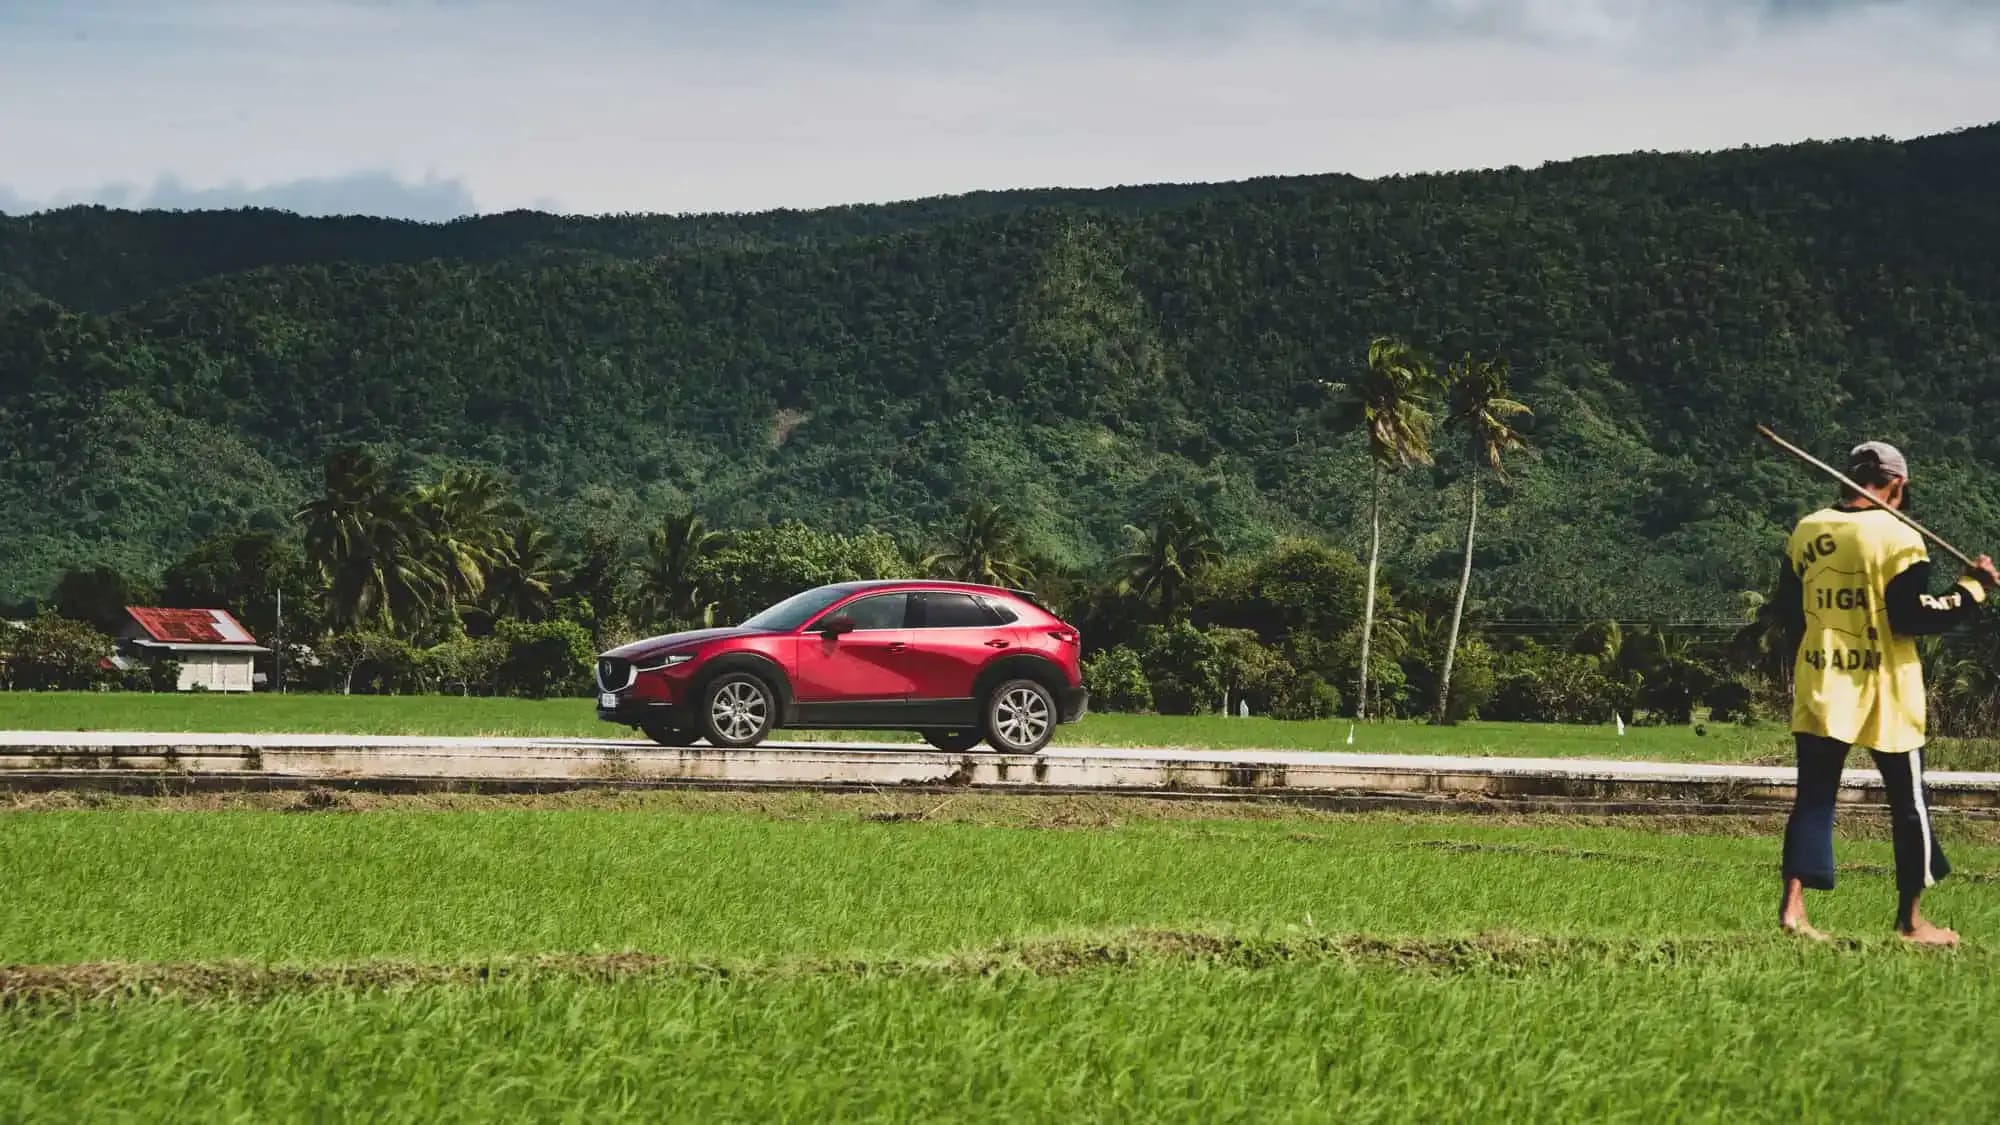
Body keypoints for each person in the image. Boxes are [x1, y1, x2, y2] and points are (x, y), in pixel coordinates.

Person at [1776, 440, 1997, 946]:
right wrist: (1973, 589)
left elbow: (1789, 610)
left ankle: (1793, 909)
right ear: (1897, 483)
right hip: (1885, 689)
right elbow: (1914, 616)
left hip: (1822, 679)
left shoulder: (1807, 530)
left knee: (1813, 799)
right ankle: (1912, 922)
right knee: (1909, 804)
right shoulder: (1899, 537)